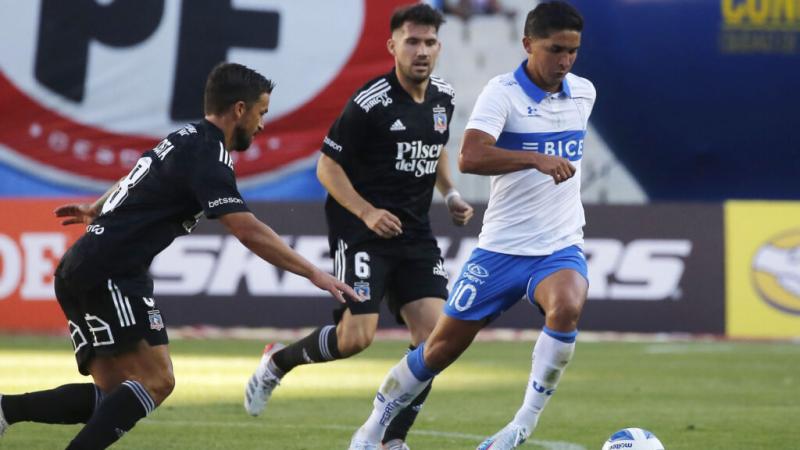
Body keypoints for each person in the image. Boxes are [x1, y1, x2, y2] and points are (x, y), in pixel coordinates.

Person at [0, 62, 357, 449]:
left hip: (82, 266)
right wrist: (313, 273)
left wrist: (98, 207)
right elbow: (247, 229)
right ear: (240, 109)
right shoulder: (209, 154)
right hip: (112, 271)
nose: (262, 123)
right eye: (261, 112)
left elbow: (137, 175)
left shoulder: (182, 138)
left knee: (115, 395)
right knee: (157, 382)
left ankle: (5, 410)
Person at [347, 2, 595, 449]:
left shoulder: (583, 93)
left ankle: (521, 424)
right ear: (527, 44)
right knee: (438, 350)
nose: (565, 62)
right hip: (500, 249)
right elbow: (471, 156)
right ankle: (374, 425)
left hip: (559, 245)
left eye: (573, 52)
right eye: (556, 49)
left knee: (568, 305)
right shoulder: (501, 94)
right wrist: (534, 159)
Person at [243, 4, 473, 450]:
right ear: (393, 46)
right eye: (412, 42)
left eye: (429, 43)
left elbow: (436, 147)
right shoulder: (371, 102)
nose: (421, 51)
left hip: (415, 232)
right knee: (356, 338)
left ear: (439, 47)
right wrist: (367, 213)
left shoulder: (443, 96)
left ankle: (391, 440)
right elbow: (327, 168)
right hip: (361, 230)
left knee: (436, 341)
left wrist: (451, 193)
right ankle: (278, 362)